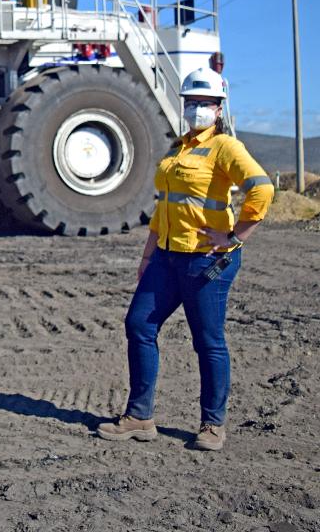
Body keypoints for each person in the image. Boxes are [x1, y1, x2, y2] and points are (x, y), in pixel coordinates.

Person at [98, 67, 274, 451]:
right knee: (139, 325)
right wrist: (148, 255)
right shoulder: (178, 148)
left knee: (207, 341)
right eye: (191, 102)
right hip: (166, 256)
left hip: (205, 260)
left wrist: (235, 236)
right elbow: (165, 206)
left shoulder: (226, 147)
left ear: (219, 108)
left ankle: (213, 425)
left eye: (205, 103)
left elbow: (261, 189)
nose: (197, 109)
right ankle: (140, 417)